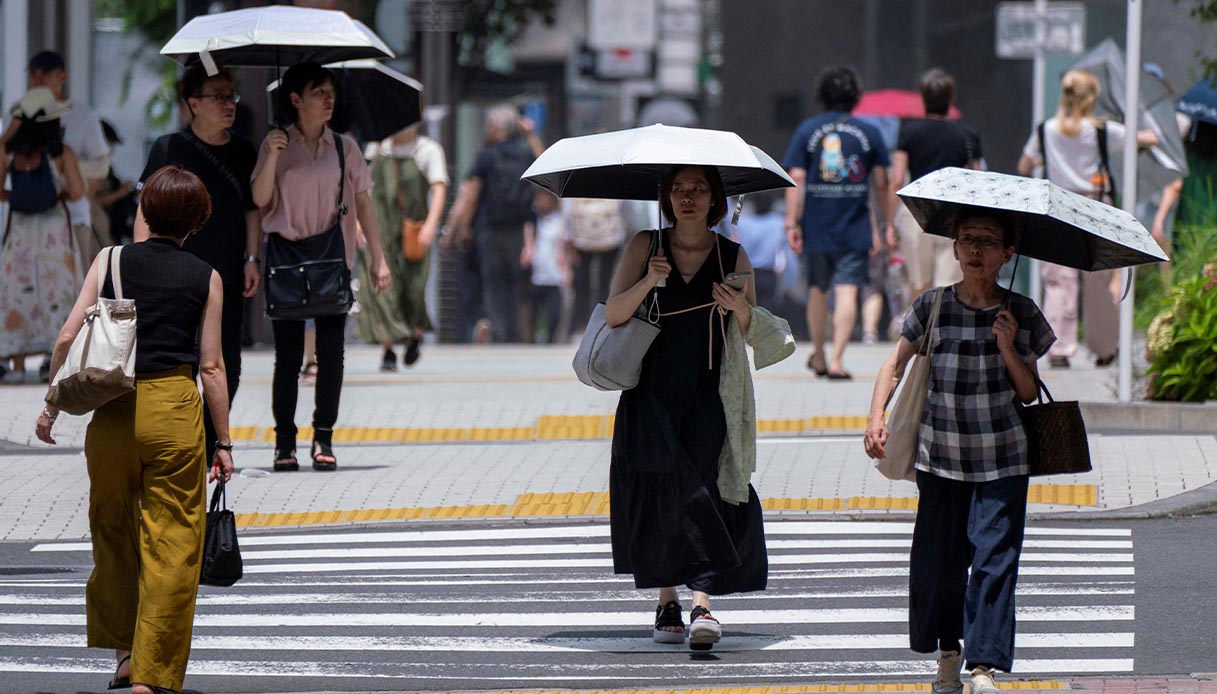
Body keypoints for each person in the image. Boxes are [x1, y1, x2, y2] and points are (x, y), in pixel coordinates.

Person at [35, 165, 235, 694]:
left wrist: (52, 406)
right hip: (174, 410)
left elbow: (67, 335)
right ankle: (153, 675)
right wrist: (226, 443)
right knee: (172, 543)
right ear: (196, 222)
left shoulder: (110, 261)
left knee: (113, 529)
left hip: (115, 409)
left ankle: (124, 656)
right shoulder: (206, 276)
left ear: (144, 211)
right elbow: (212, 368)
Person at [864, 208, 1055, 694]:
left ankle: (984, 667)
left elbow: (1029, 393)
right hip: (940, 459)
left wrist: (1009, 346)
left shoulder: (1023, 312)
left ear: (1007, 253)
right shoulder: (933, 306)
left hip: (1004, 458)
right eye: (967, 240)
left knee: (994, 561)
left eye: (988, 242)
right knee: (940, 566)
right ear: (953, 247)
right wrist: (874, 418)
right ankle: (949, 655)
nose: (975, 250)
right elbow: (894, 364)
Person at [606, 164, 767, 651]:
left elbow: (751, 329)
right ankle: (665, 597)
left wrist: (738, 308)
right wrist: (646, 284)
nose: (687, 197)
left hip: (710, 390)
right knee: (661, 488)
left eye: (698, 189)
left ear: (716, 199)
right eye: (678, 189)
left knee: (704, 489)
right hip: (649, 390)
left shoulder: (732, 255)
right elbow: (612, 313)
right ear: (666, 197)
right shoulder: (644, 246)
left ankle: (702, 602)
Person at [251, 62, 391, 472]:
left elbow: (365, 204)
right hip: (288, 260)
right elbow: (259, 200)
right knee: (289, 357)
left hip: (332, 259)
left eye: (330, 91)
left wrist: (378, 259)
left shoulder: (346, 148)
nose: (328, 98)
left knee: (332, 355)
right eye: (318, 92)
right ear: (295, 100)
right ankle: (284, 443)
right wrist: (273, 155)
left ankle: (323, 437)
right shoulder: (275, 144)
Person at [136, 64, 261, 465]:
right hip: (174, 272)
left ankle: (207, 442)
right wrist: (142, 258)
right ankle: (186, 446)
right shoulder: (168, 147)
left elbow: (252, 210)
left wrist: (252, 258)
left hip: (225, 271)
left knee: (229, 364)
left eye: (231, 96)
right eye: (218, 96)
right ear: (193, 104)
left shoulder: (244, 151)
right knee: (179, 363)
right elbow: (146, 206)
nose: (229, 104)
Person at [1016, 70, 1158, 368]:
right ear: (1091, 98)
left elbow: (1024, 163)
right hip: (1095, 204)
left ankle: (1058, 348)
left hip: (1057, 206)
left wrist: (1049, 157)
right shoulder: (1102, 130)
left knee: (1057, 281)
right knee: (1097, 278)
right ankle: (1104, 347)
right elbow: (1151, 139)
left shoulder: (1047, 129)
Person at [782, 66, 890, 380]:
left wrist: (791, 222)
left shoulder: (807, 130)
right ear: (855, 96)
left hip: (817, 224)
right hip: (854, 224)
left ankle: (818, 354)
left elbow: (796, 177)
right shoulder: (869, 133)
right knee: (847, 291)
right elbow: (881, 182)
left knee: (817, 289)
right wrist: (887, 222)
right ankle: (838, 360)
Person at [0, 87, 85, 384]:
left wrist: (18, 195)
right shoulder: (61, 153)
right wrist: (53, 192)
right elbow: (77, 193)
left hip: (22, 232)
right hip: (54, 234)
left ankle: (18, 364)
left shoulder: (9, 153)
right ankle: (54, 360)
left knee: (17, 291)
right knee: (56, 292)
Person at [445, 105, 543, 342]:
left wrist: (462, 228)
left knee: (491, 281)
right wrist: (530, 135)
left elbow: (471, 195)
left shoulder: (487, 156)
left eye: (490, 125)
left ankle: (494, 329)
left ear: (497, 127)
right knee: (512, 283)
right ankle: (510, 333)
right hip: (517, 227)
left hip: (488, 227)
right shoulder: (525, 153)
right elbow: (545, 165)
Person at [885, 68, 984, 304]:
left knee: (918, 284)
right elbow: (979, 179)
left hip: (916, 213)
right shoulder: (968, 134)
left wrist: (890, 222)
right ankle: (941, 336)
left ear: (923, 98)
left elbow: (897, 178)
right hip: (954, 214)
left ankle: (919, 337)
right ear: (951, 98)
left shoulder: (909, 132)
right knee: (946, 285)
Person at [356, 121, 449, 370]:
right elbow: (361, 188)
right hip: (381, 228)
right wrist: (356, 222)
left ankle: (415, 335)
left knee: (414, 288)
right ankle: (387, 350)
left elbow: (439, 189)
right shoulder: (377, 149)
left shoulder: (428, 150)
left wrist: (430, 224)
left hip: (413, 230)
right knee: (383, 289)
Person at [20, 51, 111, 270]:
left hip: (72, 217)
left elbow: (101, 166)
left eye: (44, 75)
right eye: (33, 75)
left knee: (72, 290)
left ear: (62, 77)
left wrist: (62, 168)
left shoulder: (82, 114)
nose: (37, 81)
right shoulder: (18, 115)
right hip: (26, 218)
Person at [562, 196, 628, 335]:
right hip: (594, 239)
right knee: (591, 284)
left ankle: (590, 323)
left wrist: (568, 237)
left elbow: (567, 213)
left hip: (601, 239)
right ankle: (597, 323)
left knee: (589, 285)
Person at [525, 189, 567, 343]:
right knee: (535, 313)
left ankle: (550, 338)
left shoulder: (559, 221)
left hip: (554, 275)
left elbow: (565, 246)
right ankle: (533, 338)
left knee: (554, 313)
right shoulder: (533, 222)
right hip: (537, 274)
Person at [94, 120, 137, 245]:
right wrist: (119, 193)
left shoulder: (107, 168)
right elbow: (91, 201)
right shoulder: (91, 167)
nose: (111, 149)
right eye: (109, 143)